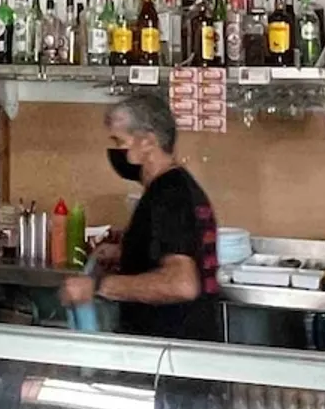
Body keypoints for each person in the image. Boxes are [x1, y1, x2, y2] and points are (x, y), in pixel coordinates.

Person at [59, 92, 221, 340]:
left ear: (147, 142)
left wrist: (98, 286)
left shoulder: (169, 196)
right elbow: (179, 248)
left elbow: (182, 284)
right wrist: (129, 253)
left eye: (119, 141)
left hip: (170, 350)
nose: (115, 151)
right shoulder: (175, 187)